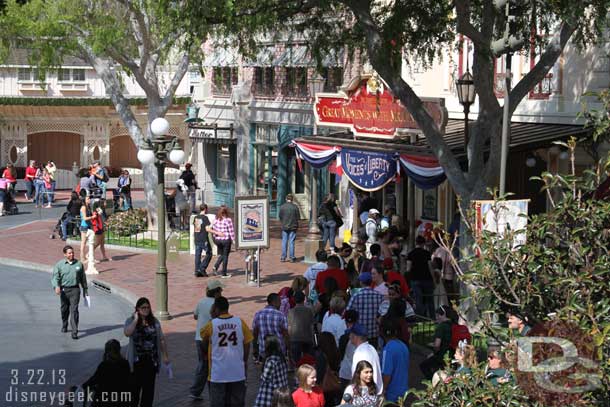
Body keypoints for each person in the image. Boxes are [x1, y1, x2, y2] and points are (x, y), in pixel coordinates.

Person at [200, 296, 253, 407]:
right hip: (237, 372)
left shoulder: (212, 325)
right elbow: (247, 343)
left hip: (217, 373)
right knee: (237, 403)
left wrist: (212, 316)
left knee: (217, 403)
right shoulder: (240, 322)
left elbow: (203, 342)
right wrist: (244, 360)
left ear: (216, 309)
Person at [124, 297, 170, 407]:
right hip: (136, 363)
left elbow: (161, 339)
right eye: (143, 307)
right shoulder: (130, 320)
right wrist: (135, 320)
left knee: (148, 392)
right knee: (134, 391)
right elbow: (127, 333)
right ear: (137, 309)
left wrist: (165, 356)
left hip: (151, 362)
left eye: (148, 307)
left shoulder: (154, 322)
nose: (146, 309)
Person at [190, 279, 224, 400]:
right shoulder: (216, 305)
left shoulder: (201, 301)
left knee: (204, 364)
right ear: (216, 292)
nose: (222, 292)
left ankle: (199, 391)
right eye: (220, 290)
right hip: (209, 339)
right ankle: (197, 390)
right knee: (207, 366)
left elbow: (195, 316)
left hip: (199, 338)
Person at [51, 245, 88, 340]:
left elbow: (83, 278)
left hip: (75, 290)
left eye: (72, 252)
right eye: (69, 253)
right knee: (64, 309)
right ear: (65, 254)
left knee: (74, 310)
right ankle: (64, 324)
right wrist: (56, 286)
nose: (72, 254)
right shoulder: (59, 265)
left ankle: (74, 331)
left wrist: (85, 290)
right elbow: (55, 277)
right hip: (64, 290)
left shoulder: (79, 264)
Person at [82, 339, 131, 407]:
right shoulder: (125, 363)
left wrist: (82, 387)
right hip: (122, 400)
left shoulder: (104, 365)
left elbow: (93, 380)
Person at [346, 272, 384, 347]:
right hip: (374, 334)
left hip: (360, 335)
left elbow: (347, 313)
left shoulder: (356, 296)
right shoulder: (379, 296)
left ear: (361, 283)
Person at [419, 305, 455, 380]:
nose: (437, 317)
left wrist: (434, 352)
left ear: (444, 315)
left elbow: (437, 345)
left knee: (423, 366)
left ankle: (434, 383)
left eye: (438, 315)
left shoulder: (441, 327)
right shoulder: (454, 324)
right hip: (453, 354)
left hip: (442, 355)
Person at [348, 323, 383, 395]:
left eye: (350, 334)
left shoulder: (359, 353)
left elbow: (356, 377)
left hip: (366, 395)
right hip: (375, 393)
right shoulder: (372, 348)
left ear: (355, 337)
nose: (349, 336)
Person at [255, 335, 289, 407]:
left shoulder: (271, 361)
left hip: (271, 393)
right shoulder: (282, 358)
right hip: (282, 391)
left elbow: (265, 378)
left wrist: (260, 368)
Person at [253, 293, 289, 361]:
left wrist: (255, 348)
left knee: (265, 369)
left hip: (264, 350)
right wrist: (289, 350)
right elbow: (286, 334)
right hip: (279, 350)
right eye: (279, 302)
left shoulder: (258, 314)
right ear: (275, 302)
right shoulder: (280, 315)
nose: (280, 304)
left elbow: (255, 333)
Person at [381, 318, 410, 404]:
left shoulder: (388, 349)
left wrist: (383, 390)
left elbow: (387, 373)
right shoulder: (403, 346)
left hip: (392, 394)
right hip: (404, 390)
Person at [407, 235, 434, 318]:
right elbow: (430, 268)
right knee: (429, 299)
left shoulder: (411, 254)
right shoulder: (427, 253)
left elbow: (408, 269)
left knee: (418, 300)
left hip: (415, 279)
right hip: (427, 279)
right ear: (423, 244)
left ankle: (420, 318)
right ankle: (432, 317)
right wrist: (433, 279)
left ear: (416, 243)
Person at [288, 291, 315, 365]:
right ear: (304, 299)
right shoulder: (309, 310)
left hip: (295, 339)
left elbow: (289, 328)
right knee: (308, 361)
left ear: (294, 300)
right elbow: (312, 326)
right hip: (307, 338)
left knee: (296, 361)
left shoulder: (291, 311)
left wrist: (289, 340)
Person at [193, 203, 220, 277]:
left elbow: (198, 229)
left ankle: (197, 270)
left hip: (197, 238)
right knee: (209, 253)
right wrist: (217, 232)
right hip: (203, 239)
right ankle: (202, 268)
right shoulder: (205, 218)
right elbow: (207, 229)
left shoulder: (196, 217)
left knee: (198, 255)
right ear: (205, 209)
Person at [316, 332, 341, 405]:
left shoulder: (321, 356)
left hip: (325, 387)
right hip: (334, 385)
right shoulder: (336, 353)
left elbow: (320, 374)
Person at [212, 206, 235, 277]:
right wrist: (233, 240)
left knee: (222, 254)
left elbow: (213, 228)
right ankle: (224, 273)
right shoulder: (228, 220)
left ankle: (215, 266)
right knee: (225, 256)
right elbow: (231, 231)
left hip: (217, 240)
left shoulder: (216, 219)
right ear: (226, 212)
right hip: (225, 239)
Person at [338, 310, 359, 388]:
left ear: (346, 322)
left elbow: (340, 354)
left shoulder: (343, 338)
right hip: (357, 373)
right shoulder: (362, 337)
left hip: (345, 372)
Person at [279, 193, 300, 263]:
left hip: (284, 226)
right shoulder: (295, 207)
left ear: (286, 199)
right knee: (291, 241)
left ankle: (283, 257)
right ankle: (291, 257)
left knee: (284, 241)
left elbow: (280, 217)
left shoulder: (282, 207)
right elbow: (298, 217)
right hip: (293, 226)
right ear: (292, 199)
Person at [79, 195, 97, 263]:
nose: (89, 200)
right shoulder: (83, 207)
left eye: (89, 198)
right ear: (84, 200)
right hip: (84, 226)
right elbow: (84, 218)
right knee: (83, 242)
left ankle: (90, 256)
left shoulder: (88, 207)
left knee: (91, 242)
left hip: (89, 226)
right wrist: (92, 217)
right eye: (88, 199)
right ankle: (82, 258)